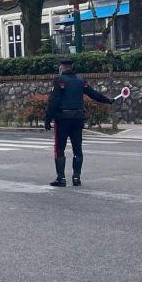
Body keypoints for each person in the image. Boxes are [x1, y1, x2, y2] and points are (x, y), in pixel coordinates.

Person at [44, 57, 114, 187]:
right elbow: (94, 94)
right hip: (78, 119)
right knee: (77, 148)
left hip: (63, 119)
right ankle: (76, 177)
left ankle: (61, 178)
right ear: (72, 66)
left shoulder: (59, 80)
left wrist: (48, 119)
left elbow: (54, 102)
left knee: (59, 148)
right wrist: (108, 100)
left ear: (62, 67)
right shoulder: (81, 81)